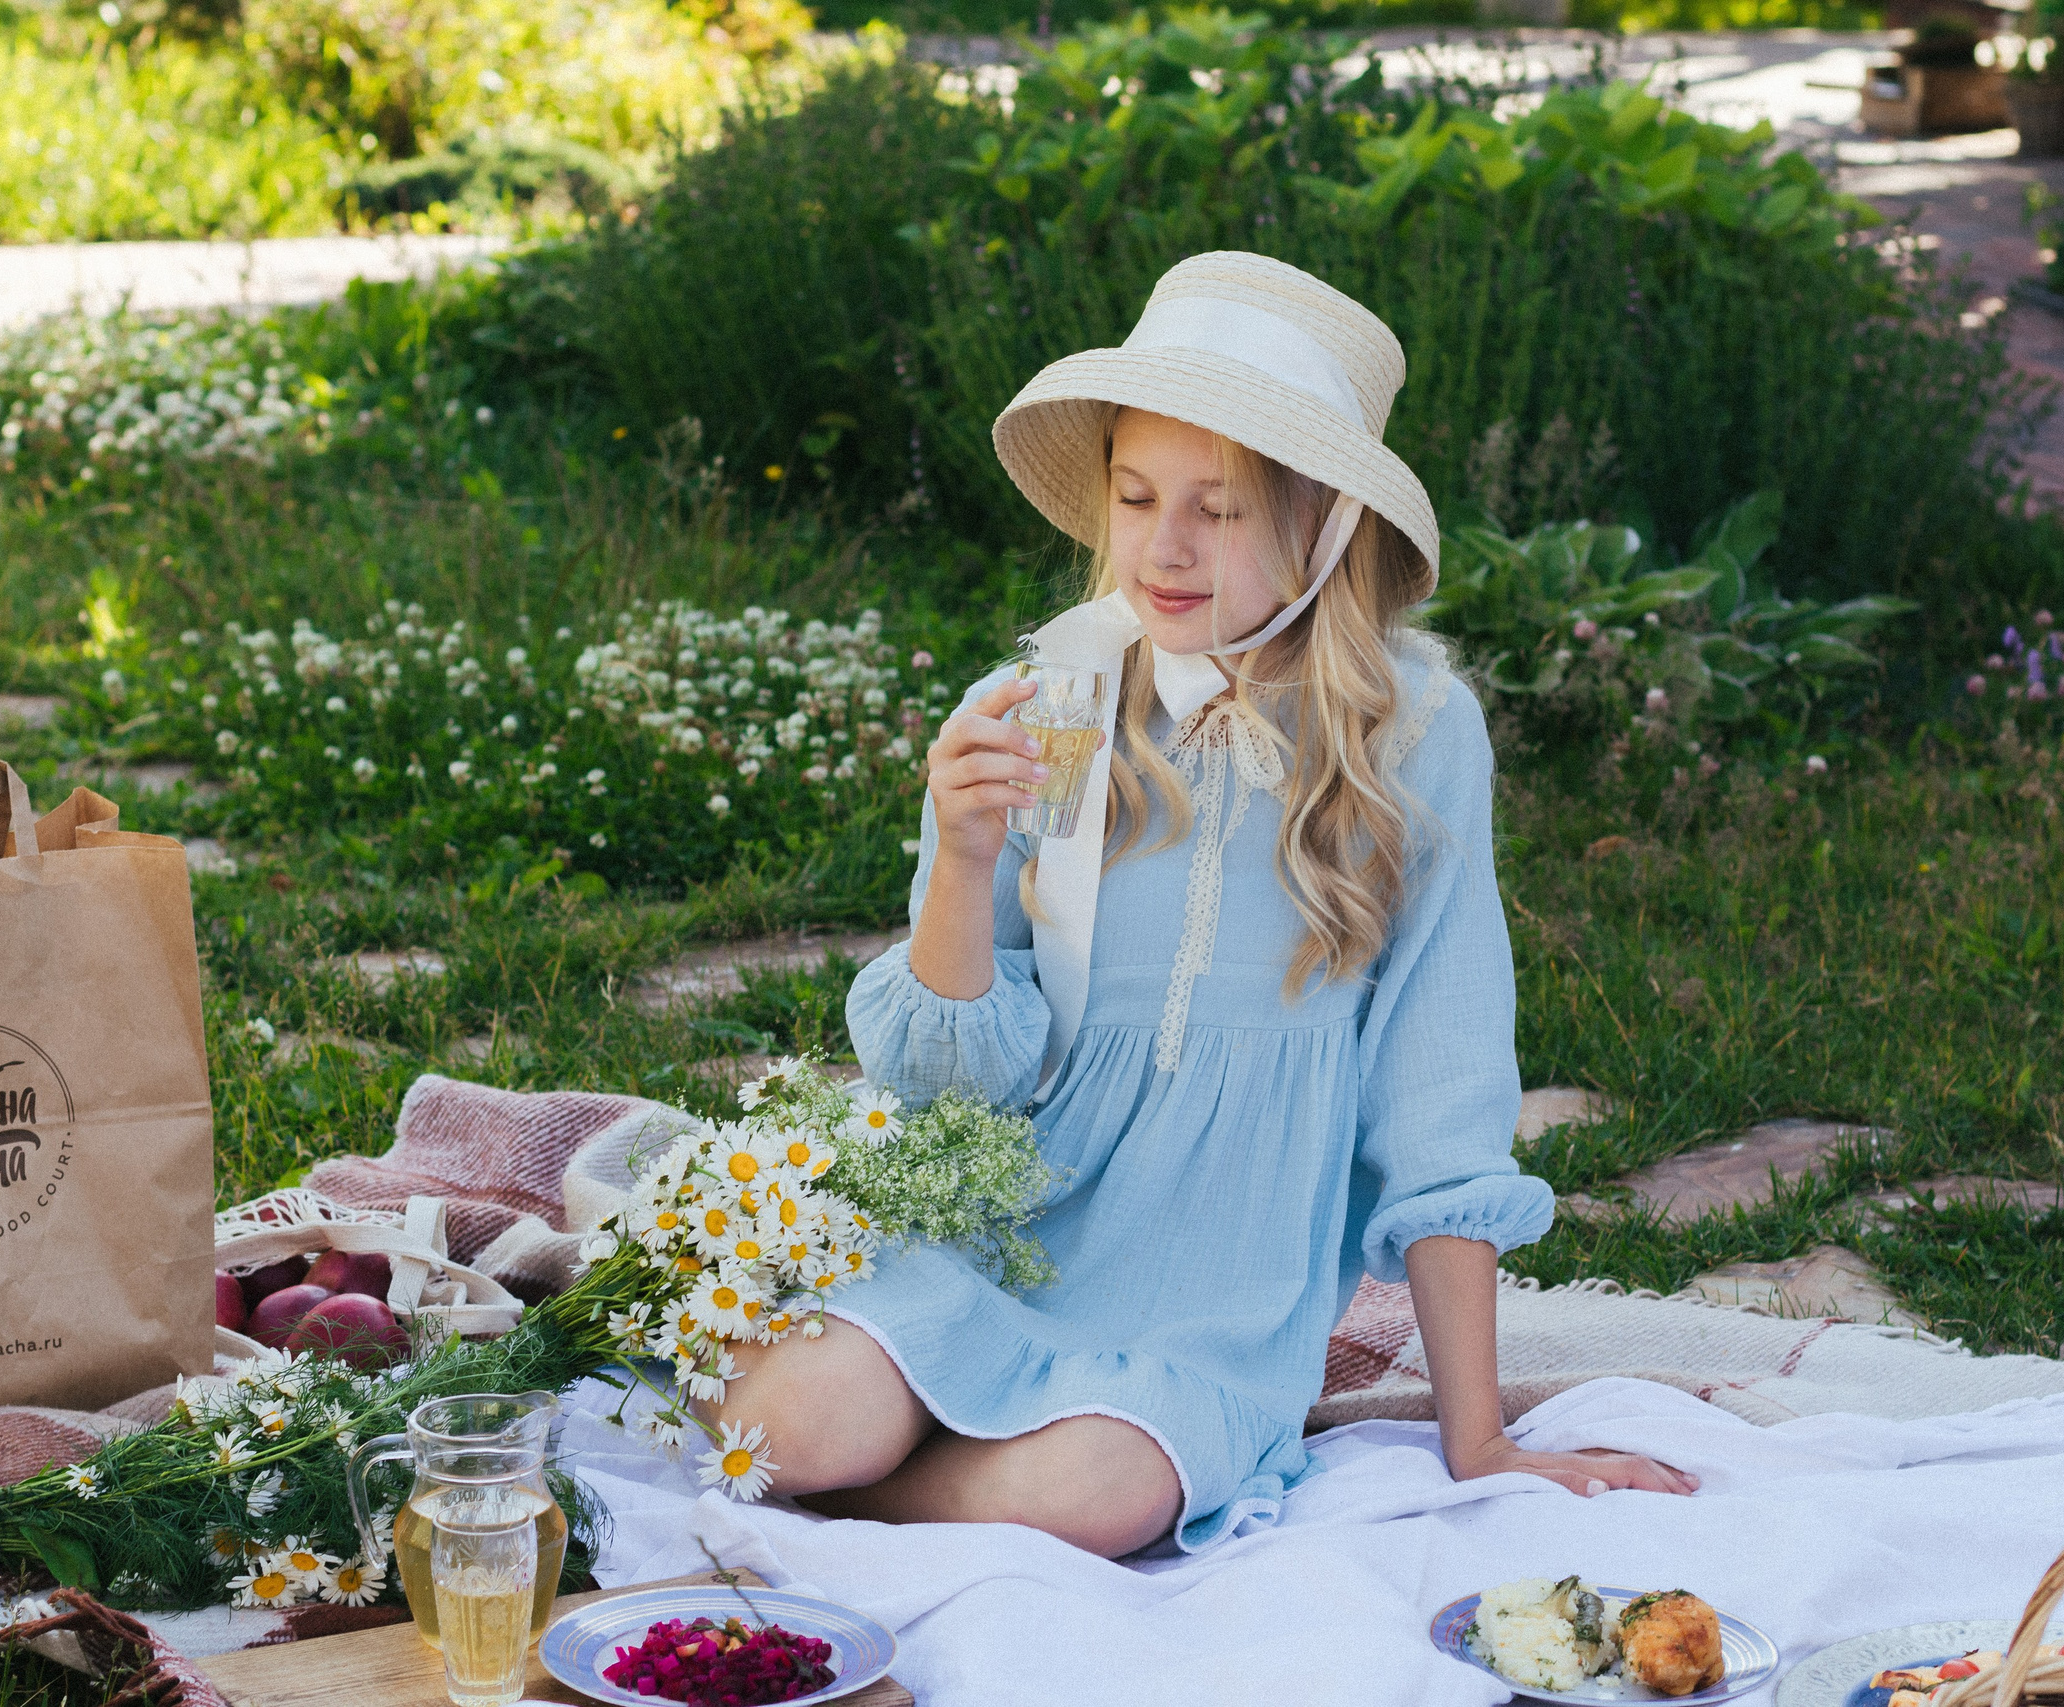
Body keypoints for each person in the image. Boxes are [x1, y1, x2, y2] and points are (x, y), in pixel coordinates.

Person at [696, 251, 1695, 1557]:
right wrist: (960, 858)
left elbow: (1438, 1100)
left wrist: (1479, 1440)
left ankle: (867, 1514)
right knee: (794, 1430)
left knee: (1101, 1496)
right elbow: (950, 1083)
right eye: (1133, 496)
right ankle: (859, 1447)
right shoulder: (1056, 699)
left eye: (1217, 511)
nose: (1161, 551)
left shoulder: (1418, 735)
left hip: (1209, 1297)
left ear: (1326, 523)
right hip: (1005, 1225)